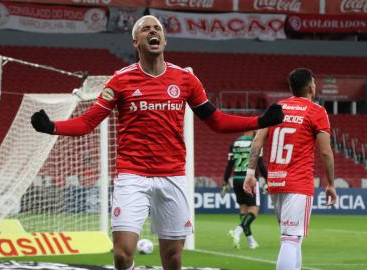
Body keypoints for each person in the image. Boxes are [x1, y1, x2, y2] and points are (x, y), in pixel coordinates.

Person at [31, 15, 284, 270]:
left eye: (157, 28)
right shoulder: (120, 80)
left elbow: (216, 121)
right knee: (122, 254)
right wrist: (53, 127)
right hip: (132, 175)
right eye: (145, 29)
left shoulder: (185, 79)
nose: (153, 31)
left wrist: (259, 121)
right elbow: (88, 121)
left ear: (164, 39)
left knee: (173, 258)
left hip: (172, 176)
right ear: (135, 42)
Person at [243, 68, 337, 270]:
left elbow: (257, 141)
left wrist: (250, 174)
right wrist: (330, 183)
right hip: (298, 183)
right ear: (311, 87)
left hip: (276, 182)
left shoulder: (276, 107)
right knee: (290, 239)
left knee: (293, 238)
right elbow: (326, 152)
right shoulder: (317, 112)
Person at [221, 130, 267, 249]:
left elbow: (230, 165)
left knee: (243, 209)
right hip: (249, 179)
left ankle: (251, 241)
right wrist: (268, 179)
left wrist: (225, 180)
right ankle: (237, 231)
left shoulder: (235, 143)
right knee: (254, 210)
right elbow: (261, 165)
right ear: (252, 130)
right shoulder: (255, 143)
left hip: (236, 179)